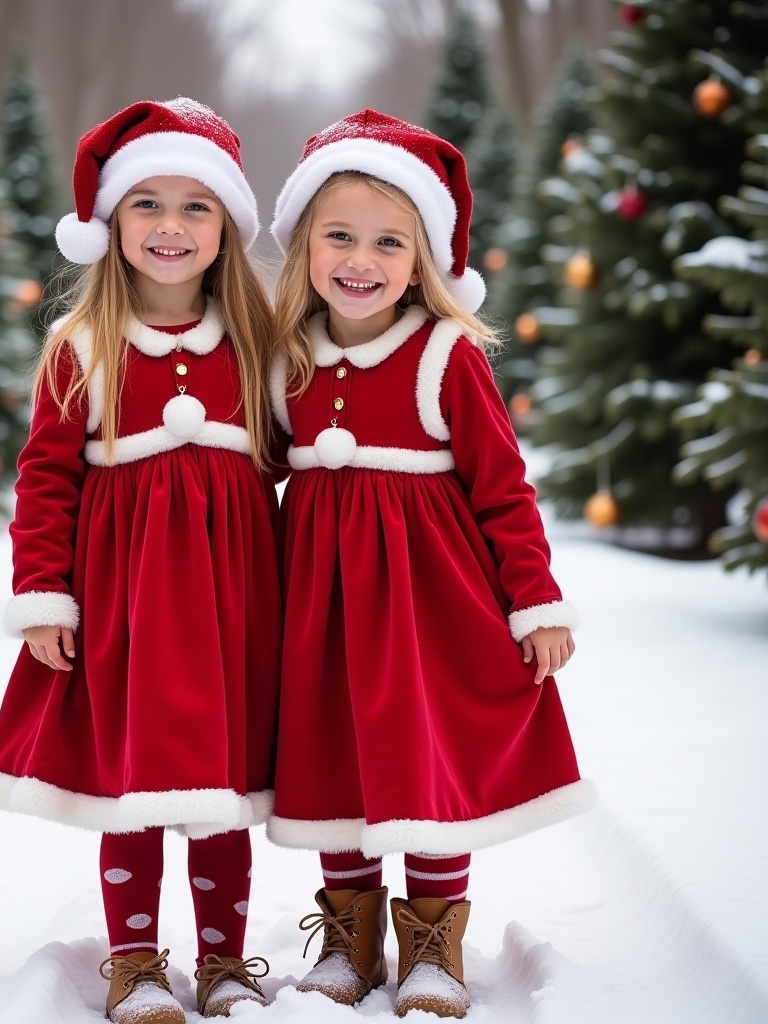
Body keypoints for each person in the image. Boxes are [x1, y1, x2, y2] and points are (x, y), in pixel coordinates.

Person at [266, 110, 596, 1019]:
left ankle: (433, 937)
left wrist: (535, 599)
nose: (359, 259)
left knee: (420, 758)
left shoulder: (446, 355)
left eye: (387, 242)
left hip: (425, 598)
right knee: (334, 752)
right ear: (303, 246)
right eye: (339, 235)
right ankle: (350, 932)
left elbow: (503, 486)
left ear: (424, 261)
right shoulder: (283, 357)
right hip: (317, 597)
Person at [0, 98, 280, 1023]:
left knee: (221, 783)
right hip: (126, 600)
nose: (172, 227)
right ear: (109, 224)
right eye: (148, 204)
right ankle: (135, 960)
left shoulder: (261, 345)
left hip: (234, 597)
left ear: (227, 226)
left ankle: (226, 962)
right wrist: (44, 597)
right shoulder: (82, 347)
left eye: (196, 206)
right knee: (136, 780)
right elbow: (45, 480)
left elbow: (297, 463)